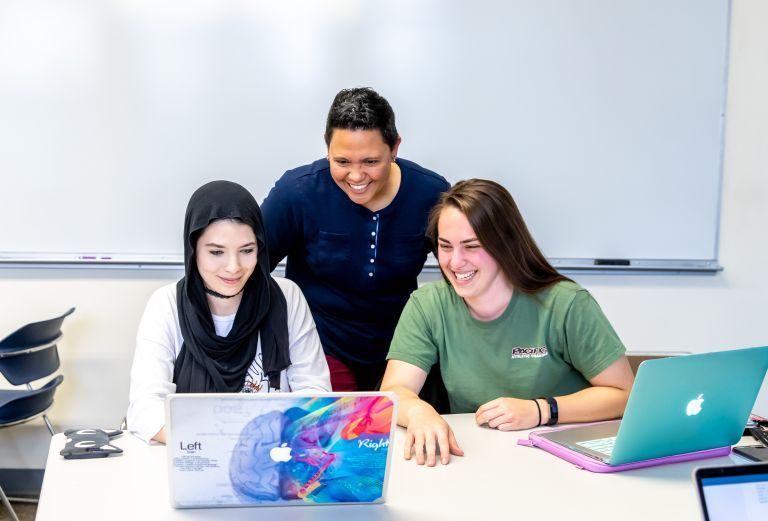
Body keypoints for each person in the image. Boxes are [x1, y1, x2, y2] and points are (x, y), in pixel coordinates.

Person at [381, 179, 634, 466]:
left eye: (471, 246)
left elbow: (624, 395)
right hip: (478, 458)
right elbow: (394, 392)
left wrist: (541, 410)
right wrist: (418, 413)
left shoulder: (566, 303)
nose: (455, 261)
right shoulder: (427, 305)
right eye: (445, 246)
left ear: (505, 244)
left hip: (565, 459)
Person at [261, 87, 449, 391]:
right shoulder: (297, 192)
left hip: (401, 350)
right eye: (343, 162)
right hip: (320, 349)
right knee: (333, 432)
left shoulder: (431, 193)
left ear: (395, 147)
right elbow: (248, 267)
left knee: (398, 431)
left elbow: (463, 269)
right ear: (327, 149)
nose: (357, 176)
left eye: (371, 162)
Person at [127, 180, 331, 443]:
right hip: (192, 457)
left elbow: (316, 393)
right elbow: (145, 409)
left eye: (247, 250)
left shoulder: (286, 297)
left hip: (268, 459)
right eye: (216, 252)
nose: (233, 267)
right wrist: (216, 445)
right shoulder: (165, 304)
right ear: (193, 251)